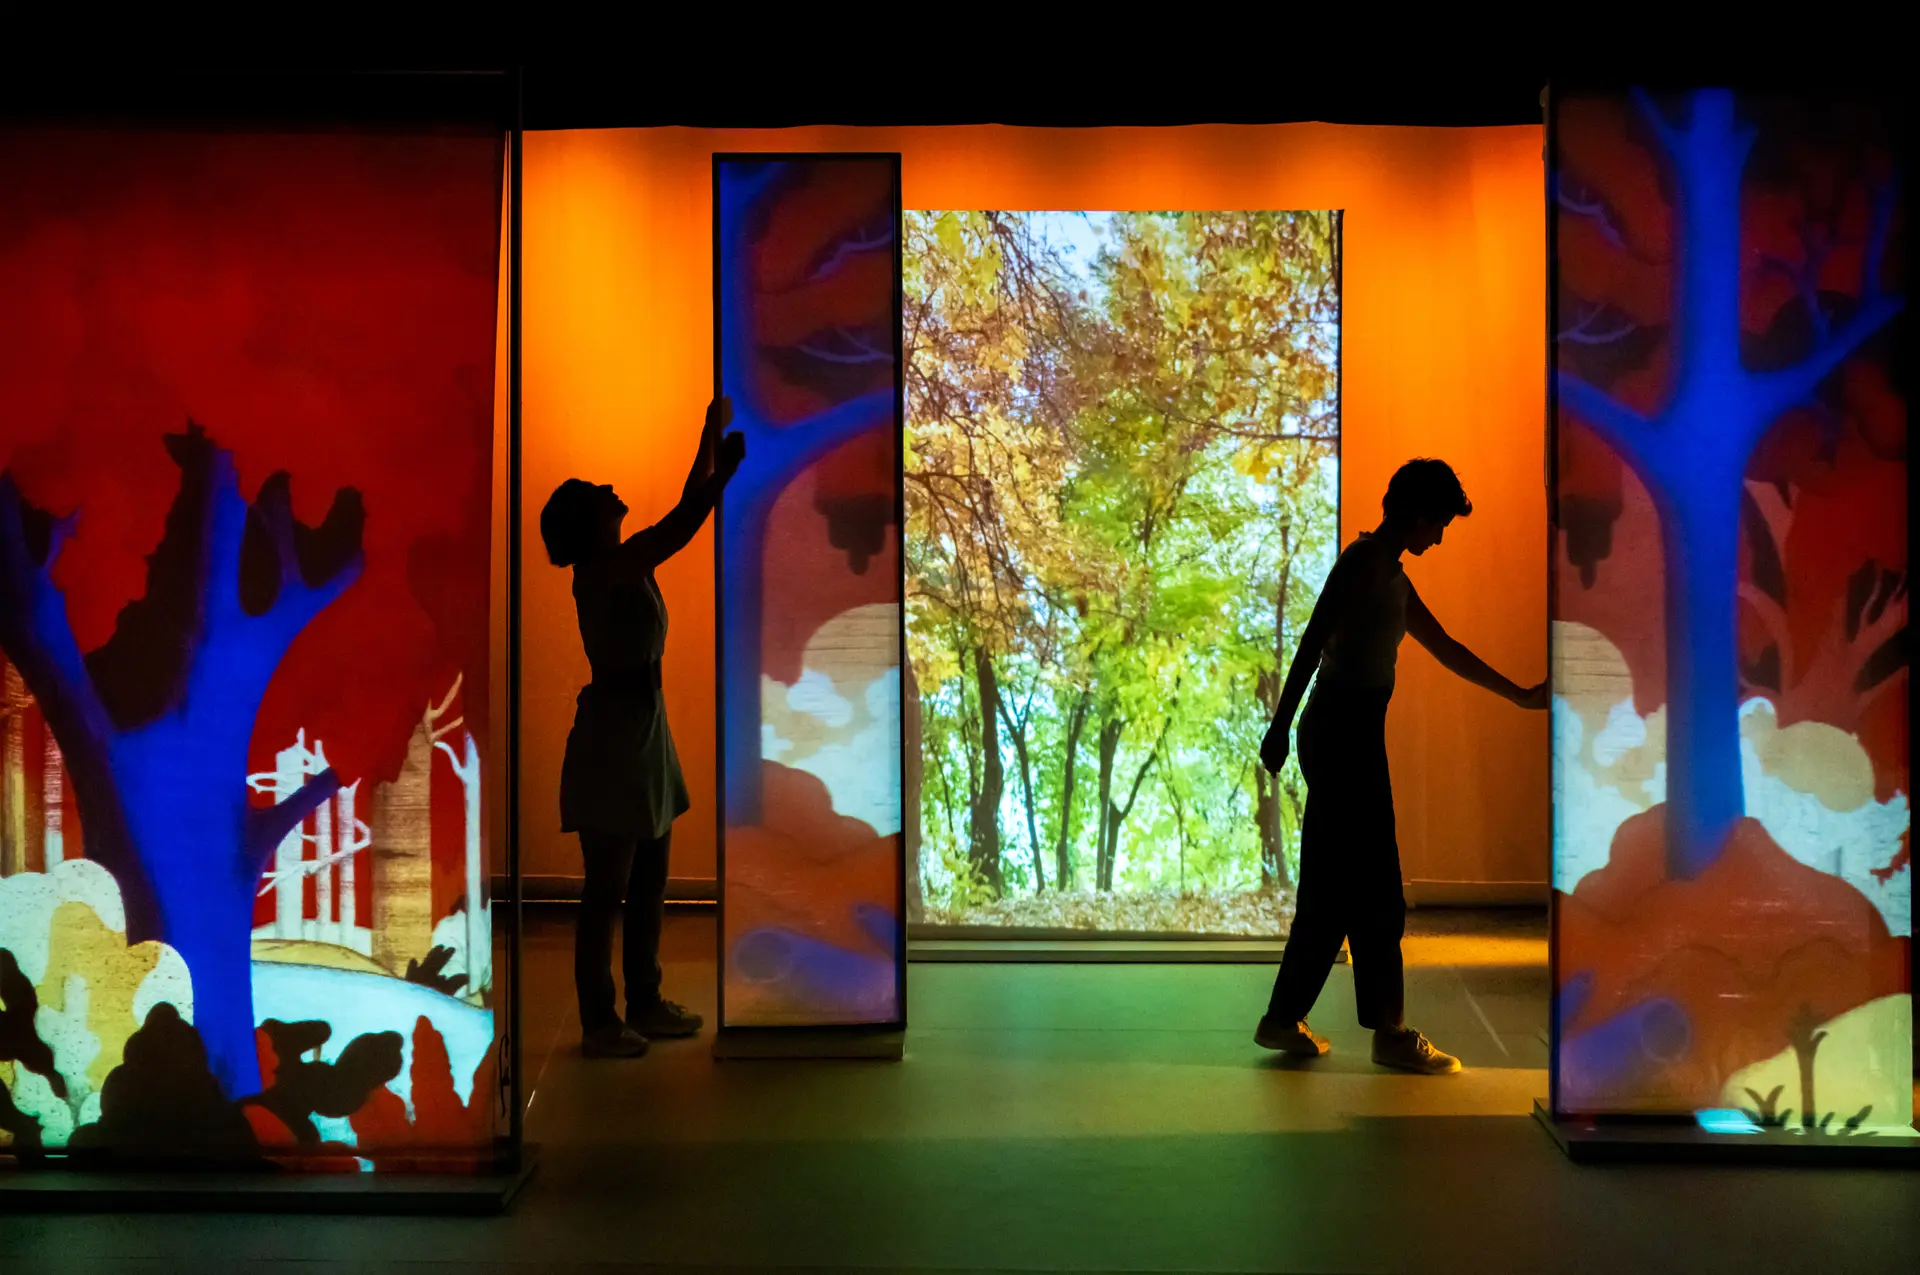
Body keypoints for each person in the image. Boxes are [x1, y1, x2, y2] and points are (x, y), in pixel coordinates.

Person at [1255, 459, 1546, 1074]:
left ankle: (1292, 1019)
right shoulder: (1362, 565)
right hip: (1339, 735)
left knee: (1339, 886)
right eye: (1438, 524)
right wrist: (1278, 726)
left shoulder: (1391, 576)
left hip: (1351, 734)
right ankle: (1385, 1031)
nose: (1438, 537)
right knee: (1372, 887)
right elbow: (1312, 639)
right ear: (1417, 514)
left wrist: (1520, 696)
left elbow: (1447, 649)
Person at [541, 397, 745, 1059]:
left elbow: (681, 515)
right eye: (596, 492)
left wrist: (708, 440)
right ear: (590, 525)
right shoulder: (608, 570)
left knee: (649, 872)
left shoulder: (621, 563)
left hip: (639, 729)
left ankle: (645, 1000)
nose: (609, 488)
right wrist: (720, 467)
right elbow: (682, 522)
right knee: (608, 885)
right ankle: (601, 1019)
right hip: (615, 740)